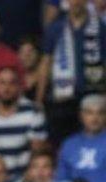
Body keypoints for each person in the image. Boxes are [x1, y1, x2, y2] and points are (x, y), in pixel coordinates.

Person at [38, 0, 106, 147]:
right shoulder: (55, 28)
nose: (76, 2)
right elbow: (46, 63)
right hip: (62, 99)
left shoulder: (99, 28)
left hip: (92, 94)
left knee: (94, 142)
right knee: (62, 143)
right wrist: (39, 97)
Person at [55, 95, 106, 182]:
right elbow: (61, 178)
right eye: (89, 113)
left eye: (100, 113)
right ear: (81, 116)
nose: (95, 118)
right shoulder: (69, 144)